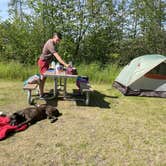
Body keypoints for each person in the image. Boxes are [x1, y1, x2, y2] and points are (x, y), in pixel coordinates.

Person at [38, 32, 70, 98]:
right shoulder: (50, 43)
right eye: (57, 40)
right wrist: (65, 64)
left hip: (46, 62)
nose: (58, 42)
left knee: (44, 78)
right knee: (43, 78)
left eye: (59, 41)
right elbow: (57, 56)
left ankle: (40, 91)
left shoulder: (52, 43)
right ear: (54, 37)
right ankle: (41, 94)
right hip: (43, 62)